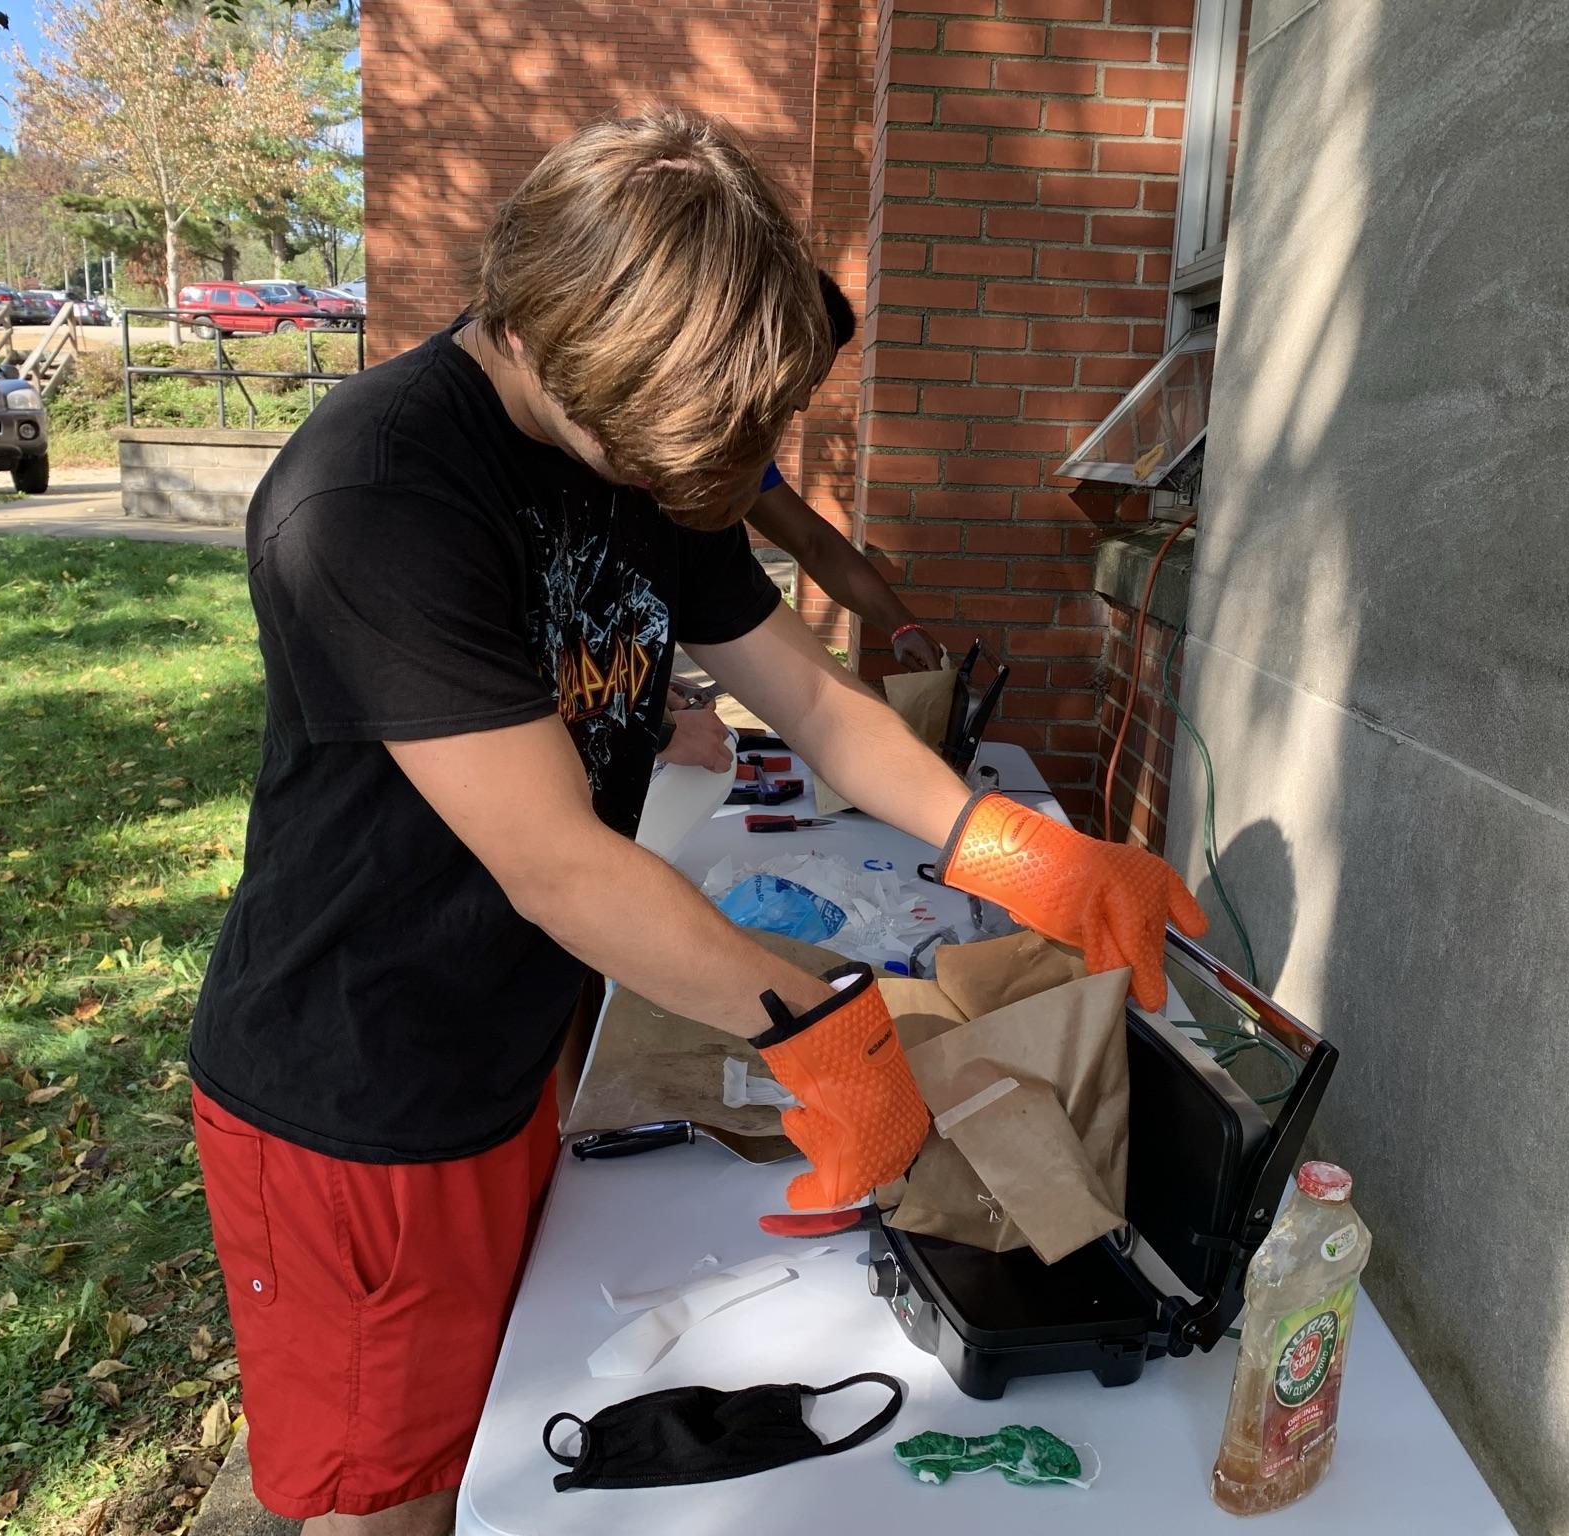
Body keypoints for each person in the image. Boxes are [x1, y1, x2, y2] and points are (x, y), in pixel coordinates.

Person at [188, 109, 1205, 1535]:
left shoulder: (643, 440)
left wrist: (1020, 850)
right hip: (358, 1084)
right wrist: (829, 1029)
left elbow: (812, 698)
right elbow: (559, 867)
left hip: (504, 1045)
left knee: (498, 1437)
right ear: (544, 336)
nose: (683, 487)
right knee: (399, 1499)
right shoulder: (374, 501)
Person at [656, 272, 936, 771]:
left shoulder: (734, 457)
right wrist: (652, 727)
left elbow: (813, 543)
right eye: (802, 378)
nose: (804, 402)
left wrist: (900, 625)